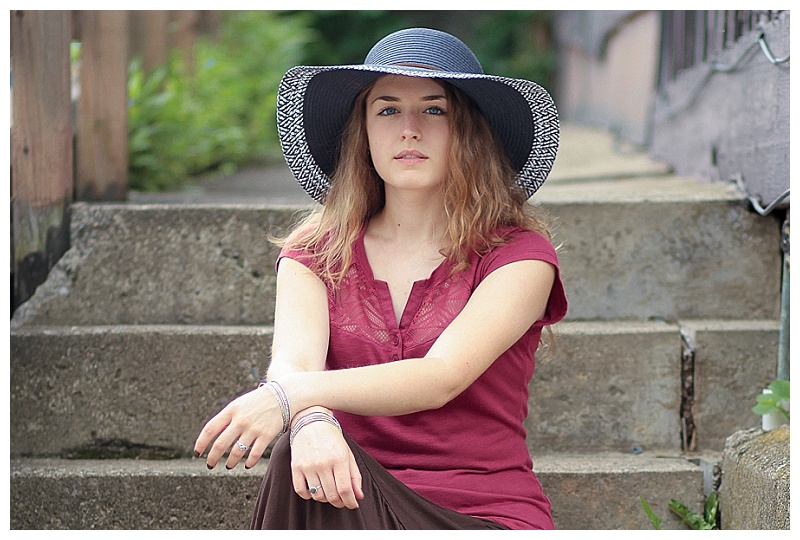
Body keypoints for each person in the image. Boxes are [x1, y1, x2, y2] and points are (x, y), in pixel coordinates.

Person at [194, 27, 567, 530]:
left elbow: (441, 377)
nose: (409, 129)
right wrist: (311, 419)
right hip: (351, 495)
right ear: (364, 132)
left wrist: (289, 401)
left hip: (477, 512)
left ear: (470, 131)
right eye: (387, 109)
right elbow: (293, 361)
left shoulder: (519, 255)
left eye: (434, 110)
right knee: (296, 455)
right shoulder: (315, 252)